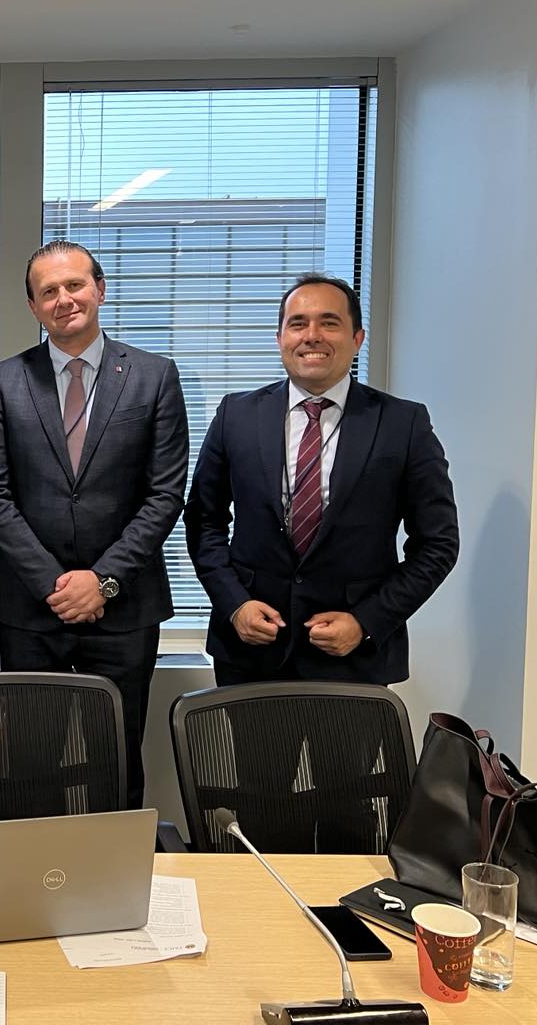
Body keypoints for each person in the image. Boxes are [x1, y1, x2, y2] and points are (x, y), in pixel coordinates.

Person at [184, 273, 459, 849]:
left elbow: (437, 544)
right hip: (254, 653)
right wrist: (234, 604)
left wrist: (368, 621)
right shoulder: (237, 415)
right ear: (280, 338)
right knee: (262, 809)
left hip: (352, 659)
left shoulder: (402, 423)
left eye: (329, 323)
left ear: (357, 338)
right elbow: (204, 522)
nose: (312, 335)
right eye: (298, 323)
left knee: (347, 818)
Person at [0, 241, 189, 810]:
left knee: (114, 763)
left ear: (100, 290)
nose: (63, 299)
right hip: (31, 612)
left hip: (124, 610)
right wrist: (56, 585)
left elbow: (165, 495)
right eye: (49, 291)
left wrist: (103, 581)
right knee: (29, 763)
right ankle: (36, 867)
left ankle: (114, 869)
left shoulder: (154, 376)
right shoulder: (1, 382)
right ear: (32, 306)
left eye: (74, 285)